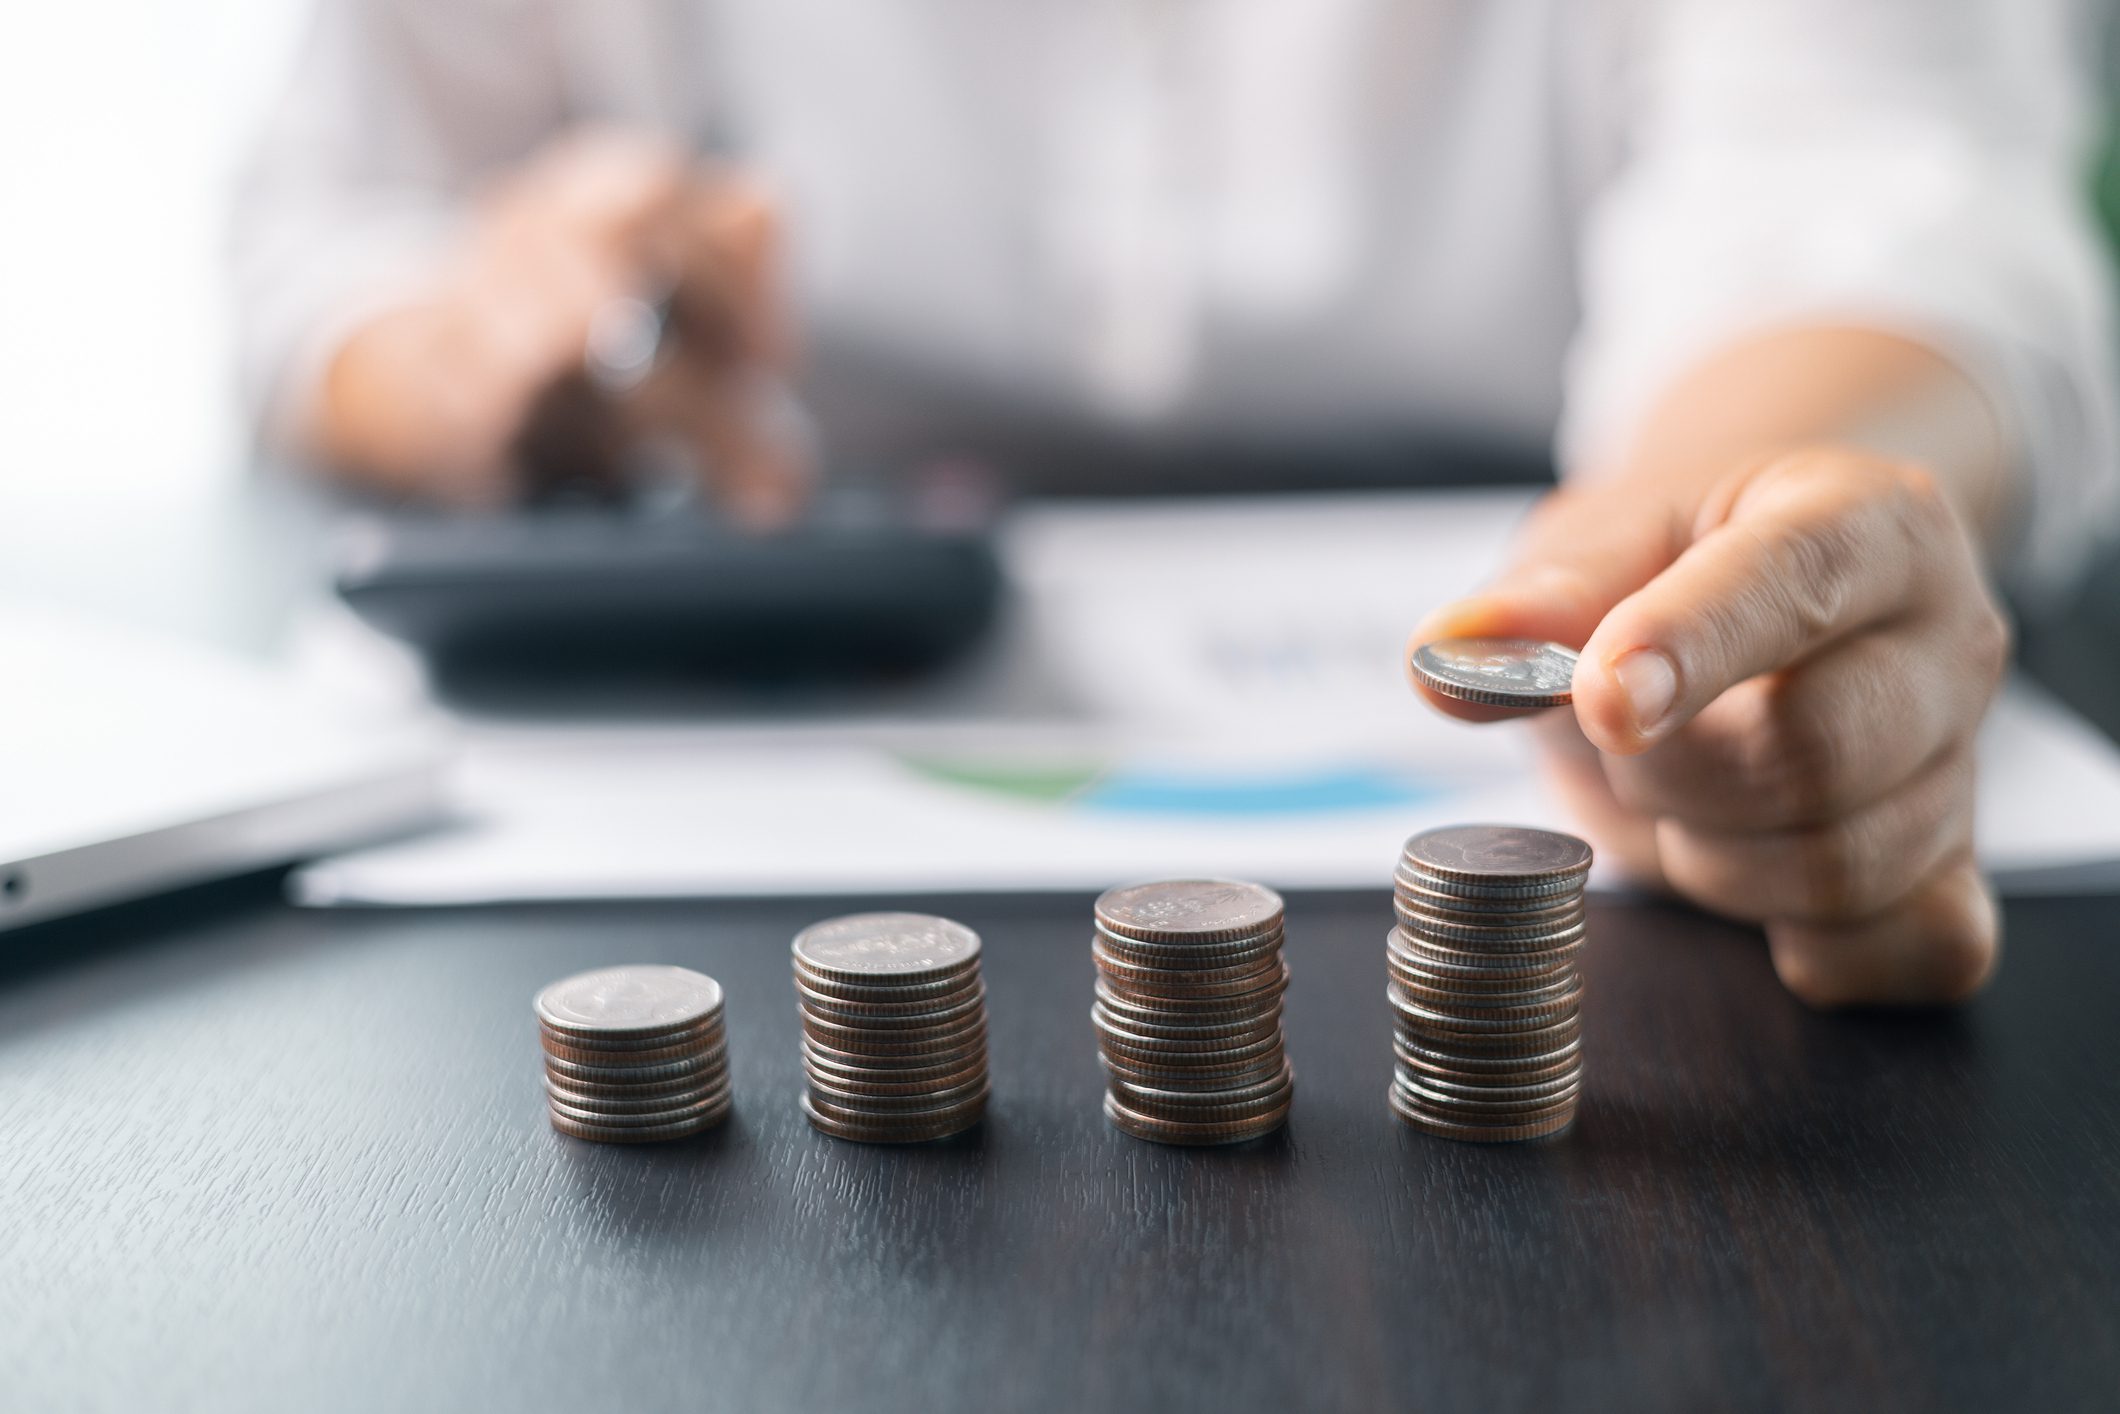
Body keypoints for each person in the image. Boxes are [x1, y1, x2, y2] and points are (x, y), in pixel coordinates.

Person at [232, 1, 2119, 1007]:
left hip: (1578, 528)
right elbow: (326, 238)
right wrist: (473, 336)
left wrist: (1706, 536)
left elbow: (1879, 175)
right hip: (755, 584)